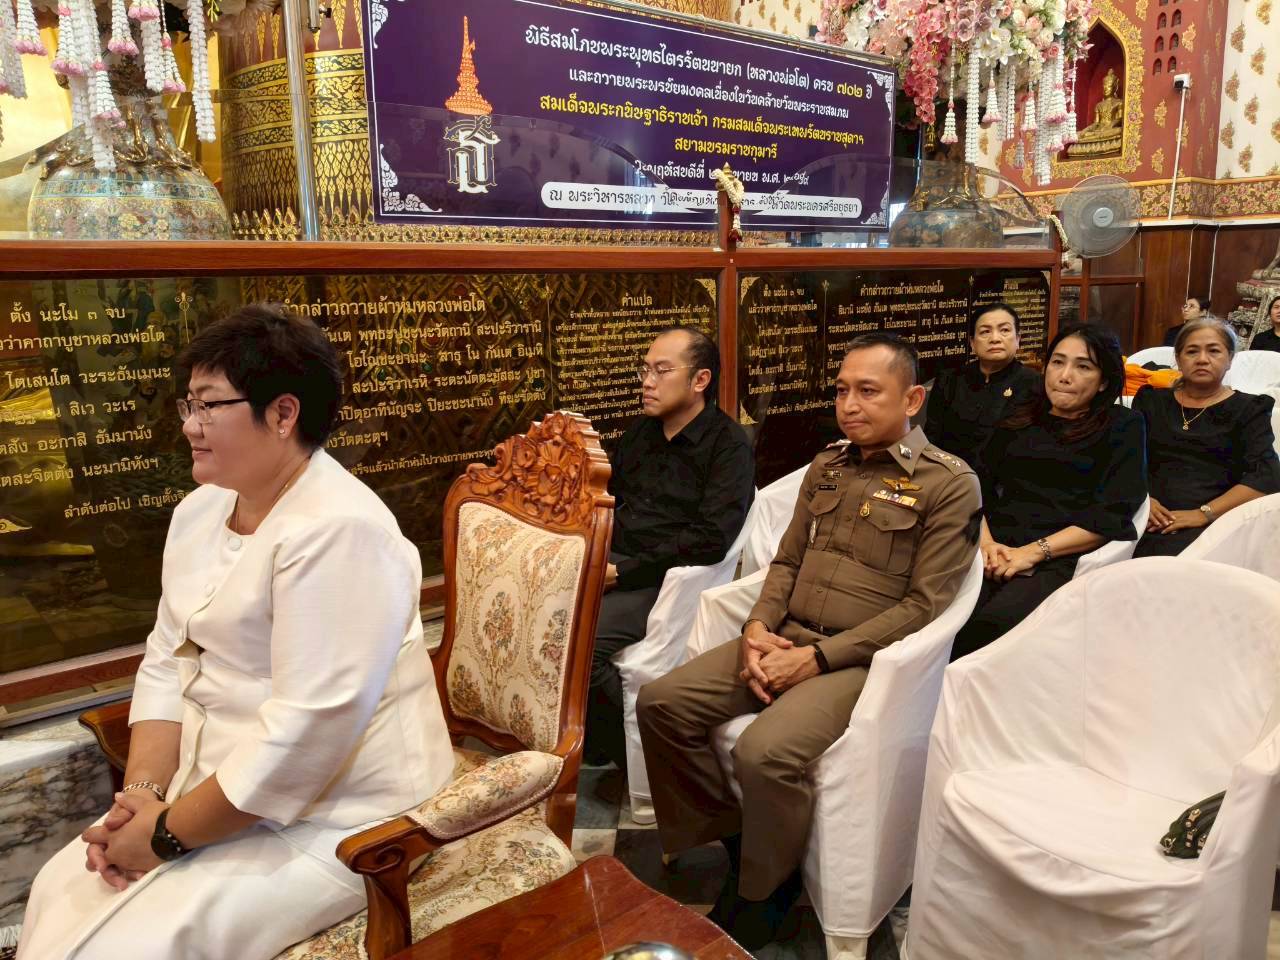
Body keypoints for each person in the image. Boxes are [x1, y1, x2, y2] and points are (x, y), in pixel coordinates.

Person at [19, 305, 454, 960]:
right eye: (187, 404)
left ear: (284, 414)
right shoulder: (201, 508)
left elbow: (306, 734)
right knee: (60, 886)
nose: (190, 426)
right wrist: (142, 795)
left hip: (336, 814)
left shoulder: (341, 531)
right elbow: (167, 662)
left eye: (211, 405)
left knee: (134, 945)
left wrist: (167, 836)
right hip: (212, 785)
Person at [637, 333, 981, 949]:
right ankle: (742, 837)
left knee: (764, 752)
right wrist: (757, 628)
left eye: (868, 391)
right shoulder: (828, 465)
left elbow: (924, 607)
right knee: (662, 702)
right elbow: (786, 563)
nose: (848, 404)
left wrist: (817, 658)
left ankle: (765, 893)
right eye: (843, 389)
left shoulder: (948, 484)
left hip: (860, 659)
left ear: (913, 399)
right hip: (786, 634)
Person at [584, 325, 754, 801]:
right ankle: (590, 741)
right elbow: (614, 504)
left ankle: (645, 768)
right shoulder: (641, 433)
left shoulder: (727, 446)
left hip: (666, 578)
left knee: (586, 646)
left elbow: (709, 539)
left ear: (700, 381)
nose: (647, 381)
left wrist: (624, 572)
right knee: (548, 620)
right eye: (644, 369)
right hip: (617, 560)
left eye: (661, 370)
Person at [950, 324, 1147, 661]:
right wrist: (987, 544)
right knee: (940, 611)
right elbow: (976, 482)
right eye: (1058, 362)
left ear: (1103, 380)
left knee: (994, 625)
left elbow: (1110, 514)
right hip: (994, 542)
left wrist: (1033, 552)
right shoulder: (1022, 413)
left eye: (1083, 366)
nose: (1064, 376)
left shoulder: (1122, 425)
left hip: (1061, 552)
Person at [1134, 317, 1280, 556]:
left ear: (1230, 359)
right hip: (1144, 511)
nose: (1202, 359)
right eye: (1192, 351)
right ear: (1178, 360)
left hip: (1216, 520)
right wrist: (1142, 500)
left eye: (1214, 351)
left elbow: (1266, 477)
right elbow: (1124, 458)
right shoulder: (1151, 401)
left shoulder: (1249, 409)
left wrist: (1203, 514)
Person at [924, 301, 1041, 469]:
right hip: (950, 479)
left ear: (1018, 339)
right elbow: (932, 439)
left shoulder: (1035, 384)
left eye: (1005, 330)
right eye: (985, 332)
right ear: (972, 342)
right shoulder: (950, 380)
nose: (995, 339)